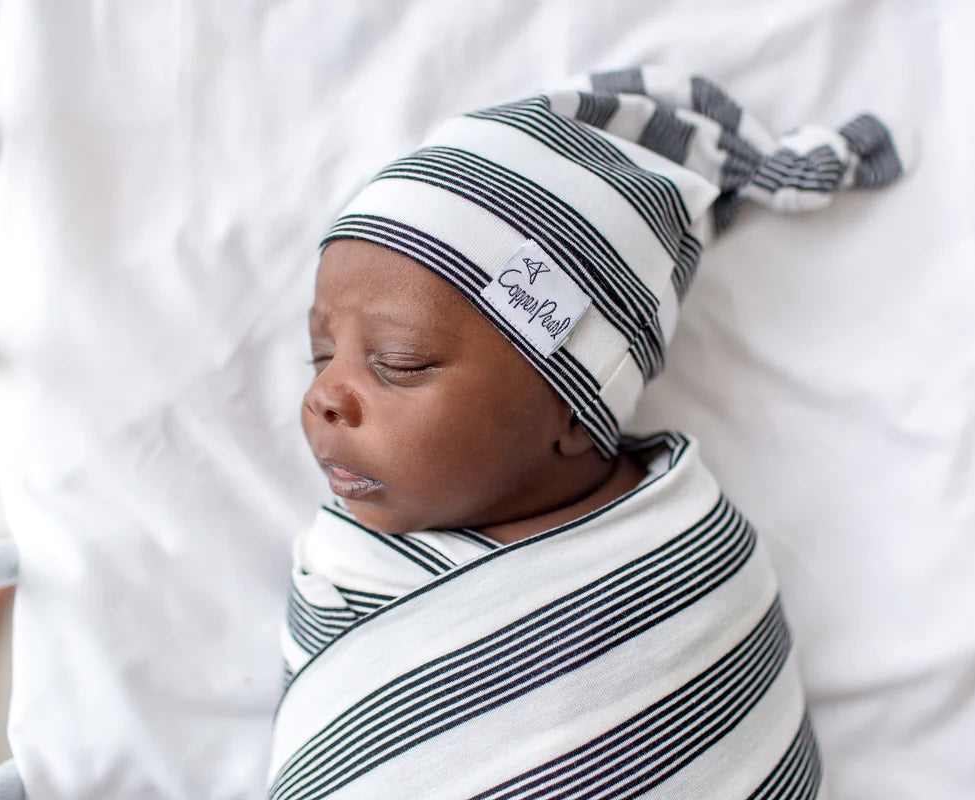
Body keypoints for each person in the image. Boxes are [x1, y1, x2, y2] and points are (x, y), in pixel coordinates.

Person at [268, 65, 908, 800]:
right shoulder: (345, 573)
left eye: (399, 362)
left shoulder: (693, 566)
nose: (323, 394)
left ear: (574, 407)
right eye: (321, 355)